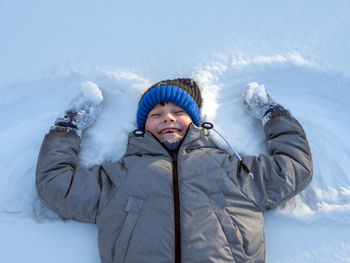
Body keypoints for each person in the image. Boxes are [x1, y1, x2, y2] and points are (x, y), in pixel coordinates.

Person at [36, 78, 313, 263]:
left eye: (178, 112)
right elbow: (57, 185)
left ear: (195, 122)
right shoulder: (120, 176)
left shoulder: (228, 168)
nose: (167, 118)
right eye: (155, 115)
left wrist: (274, 116)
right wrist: (68, 129)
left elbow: (292, 168)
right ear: (143, 127)